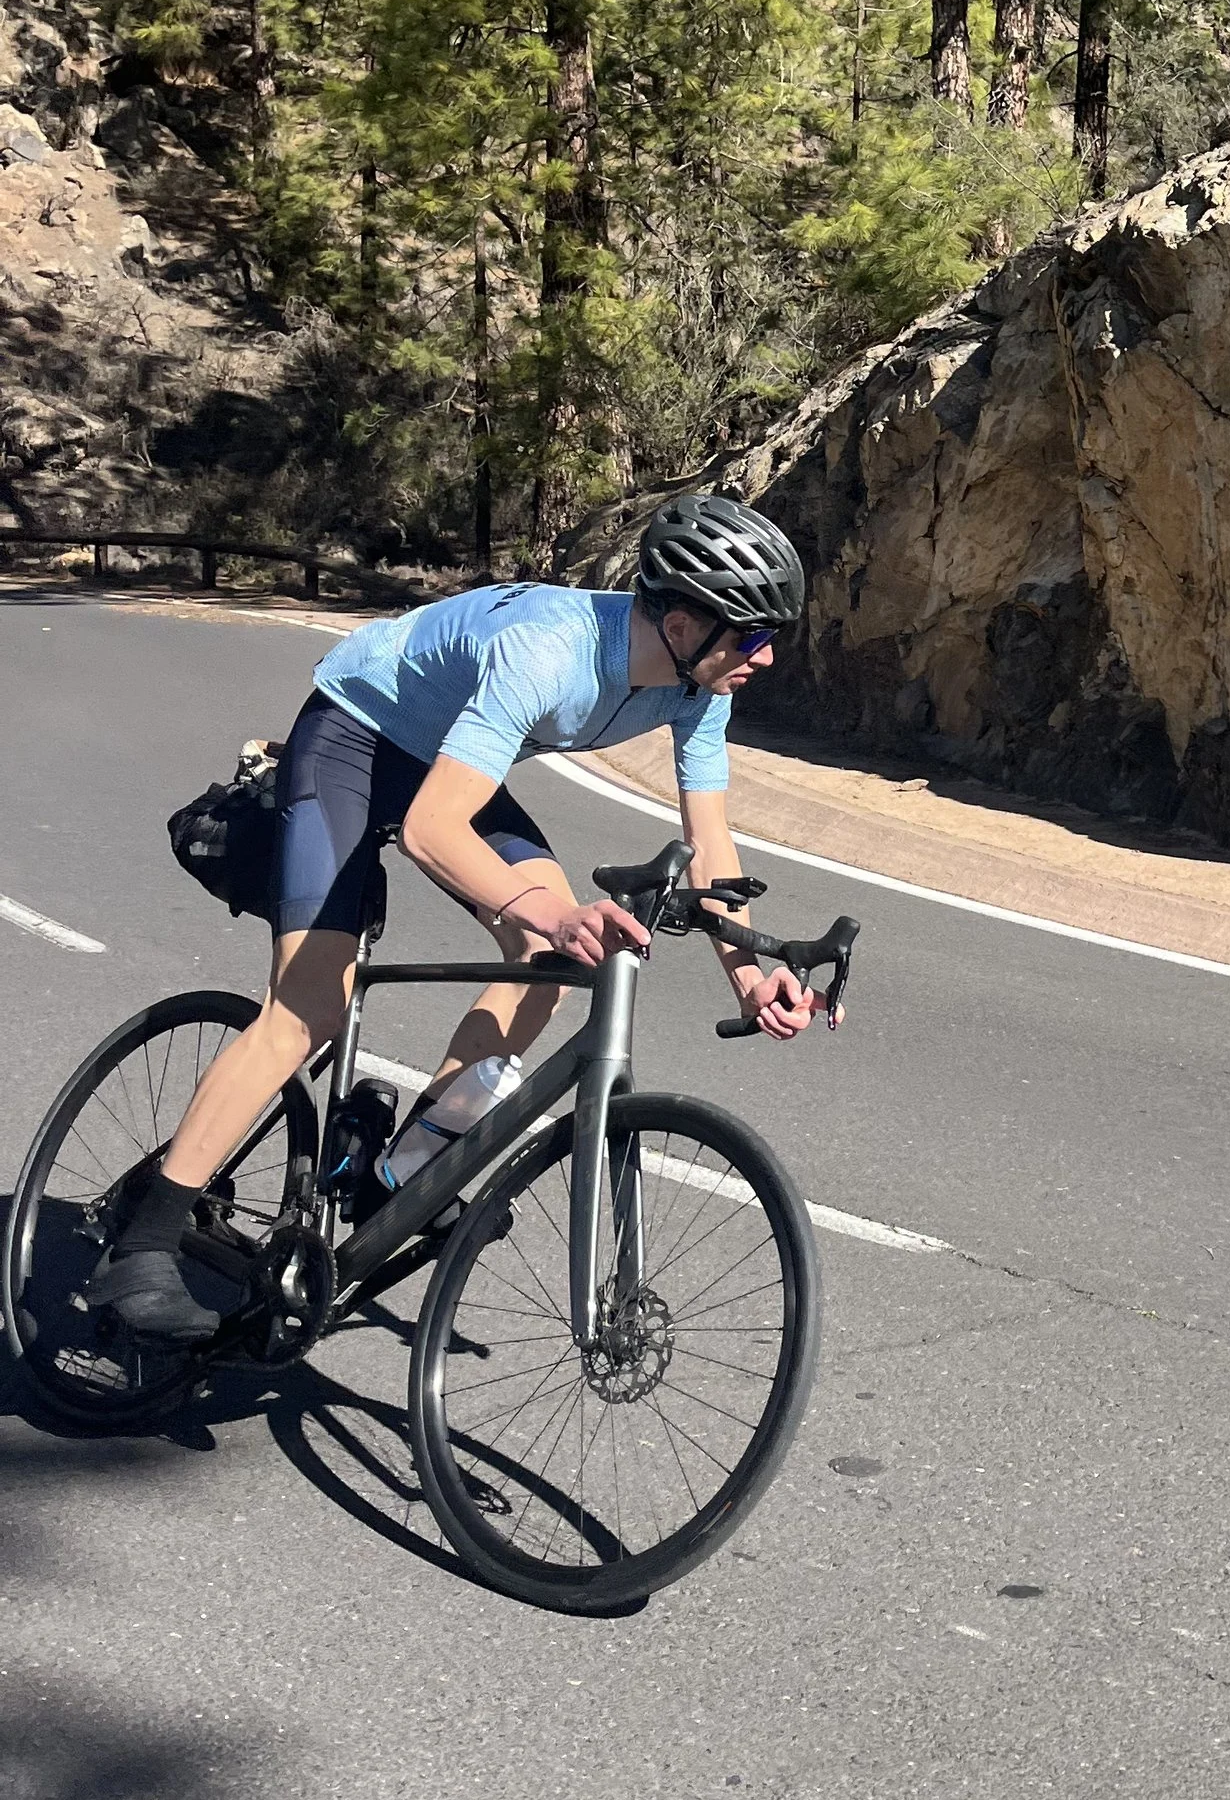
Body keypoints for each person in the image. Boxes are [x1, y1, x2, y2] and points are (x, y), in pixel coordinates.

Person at [87, 492, 818, 1345]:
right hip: (355, 736)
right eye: (753, 633)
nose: (765, 657)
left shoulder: (701, 687)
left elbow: (711, 841)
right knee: (310, 1006)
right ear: (687, 622)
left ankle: (400, 1174)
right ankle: (142, 1244)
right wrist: (550, 907)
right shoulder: (548, 652)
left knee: (552, 959)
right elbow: (436, 827)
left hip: (442, 756)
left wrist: (749, 974)